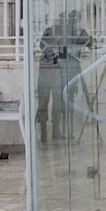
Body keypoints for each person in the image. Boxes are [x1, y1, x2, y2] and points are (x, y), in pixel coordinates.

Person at [36, 10, 92, 141]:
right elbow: (42, 47)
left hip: (66, 72)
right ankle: (44, 133)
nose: (68, 23)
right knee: (44, 102)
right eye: (65, 20)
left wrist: (78, 33)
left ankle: (59, 132)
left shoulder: (78, 32)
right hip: (49, 70)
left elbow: (90, 44)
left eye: (73, 20)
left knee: (60, 102)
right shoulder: (52, 31)